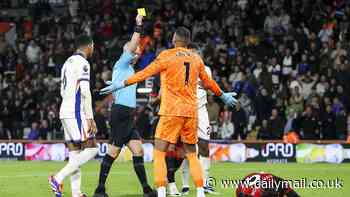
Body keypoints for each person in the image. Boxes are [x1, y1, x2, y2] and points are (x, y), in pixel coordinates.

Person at [100, 26, 238, 197]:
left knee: (159, 152)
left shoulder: (167, 56)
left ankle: (161, 192)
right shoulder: (196, 58)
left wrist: (121, 83)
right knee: (192, 154)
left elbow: (145, 73)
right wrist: (223, 96)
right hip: (191, 112)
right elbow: (209, 82)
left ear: (174, 39)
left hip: (171, 111)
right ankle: (201, 192)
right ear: (188, 41)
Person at [93, 14, 156, 197]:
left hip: (127, 114)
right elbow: (134, 43)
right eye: (134, 51)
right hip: (120, 112)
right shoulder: (121, 63)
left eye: (137, 53)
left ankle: (146, 189)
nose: (137, 53)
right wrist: (138, 24)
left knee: (138, 149)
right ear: (127, 51)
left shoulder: (129, 70)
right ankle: (100, 190)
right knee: (113, 151)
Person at [49, 35, 99, 197]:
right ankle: (58, 178)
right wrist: (90, 117)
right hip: (76, 112)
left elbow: (62, 91)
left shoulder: (67, 63)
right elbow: (85, 91)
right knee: (92, 149)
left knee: (75, 153)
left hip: (65, 110)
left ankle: (76, 193)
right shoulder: (83, 63)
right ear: (88, 46)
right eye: (93, 46)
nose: (93, 49)